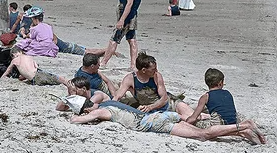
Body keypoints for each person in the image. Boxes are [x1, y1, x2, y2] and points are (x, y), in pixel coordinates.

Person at [71, 102, 265, 144]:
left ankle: (244, 125)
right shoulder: (109, 102)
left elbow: (78, 119)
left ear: (88, 108)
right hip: (161, 115)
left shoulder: (102, 110)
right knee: (203, 132)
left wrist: (75, 116)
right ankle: (241, 133)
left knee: (202, 136)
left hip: (157, 124)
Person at [184, 68, 256, 133]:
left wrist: (185, 123)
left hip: (218, 124)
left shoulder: (205, 97)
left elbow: (193, 118)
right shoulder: (227, 93)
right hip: (233, 122)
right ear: (220, 83)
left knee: (197, 123)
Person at [101, 0, 142, 68]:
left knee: (114, 39)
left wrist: (122, 20)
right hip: (131, 17)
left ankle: (103, 63)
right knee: (132, 40)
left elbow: (129, 4)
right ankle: (133, 65)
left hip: (127, 18)